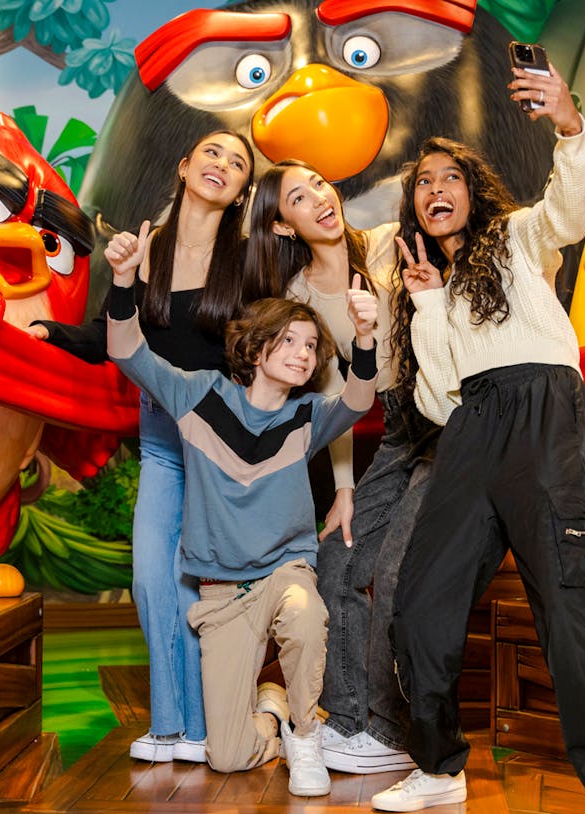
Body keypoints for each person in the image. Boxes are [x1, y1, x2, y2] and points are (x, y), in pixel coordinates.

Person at [371, 65, 585, 814]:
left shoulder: (518, 239)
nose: (435, 189)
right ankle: (438, 770)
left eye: (448, 177)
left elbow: (567, 210)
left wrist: (570, 125)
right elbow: (436, 402)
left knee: (565, 605)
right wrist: (427, 307)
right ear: (415, 208)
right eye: (422, 183)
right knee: (419, 603)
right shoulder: (427, 289)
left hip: (543, 412)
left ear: (470, 189)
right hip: (471, 426)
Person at [103, 208, 380, 792]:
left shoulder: (307, 416)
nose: (304, 354)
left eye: (311, 346)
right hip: (223, 594)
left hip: (285, 573)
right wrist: (125, 281)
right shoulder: (198, 396)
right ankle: (272, 711)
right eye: (289, 340)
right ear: (255, 348)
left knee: (307, 613)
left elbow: (358, 398)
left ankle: (305, 736)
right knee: (226, 756)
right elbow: (128, 350)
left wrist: (364, 339)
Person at [28, 130, 253, 764]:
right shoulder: (147, 248)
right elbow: (111, 336)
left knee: (208, 585)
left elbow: (265, 339)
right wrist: (54, 330)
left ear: (242, 192)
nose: (222, 165)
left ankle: (210, 723)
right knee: (153, 579)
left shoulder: (250, 254)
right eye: (211, 153)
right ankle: (172, 725)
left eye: (237, 163)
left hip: (219, 433)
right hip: (159, 433)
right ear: (184, 166)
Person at [245, 160, 435, 775]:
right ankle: (348, 723)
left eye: (320, 185)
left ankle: (388, 727)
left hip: (442, 415)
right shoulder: (297, 299)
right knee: (339, 559)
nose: (320, 199)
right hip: (390, 435)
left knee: (396, 570)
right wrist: (346, 490)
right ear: (284, 223)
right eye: (300, 197)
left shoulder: (385, 248)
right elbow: (335, 403)